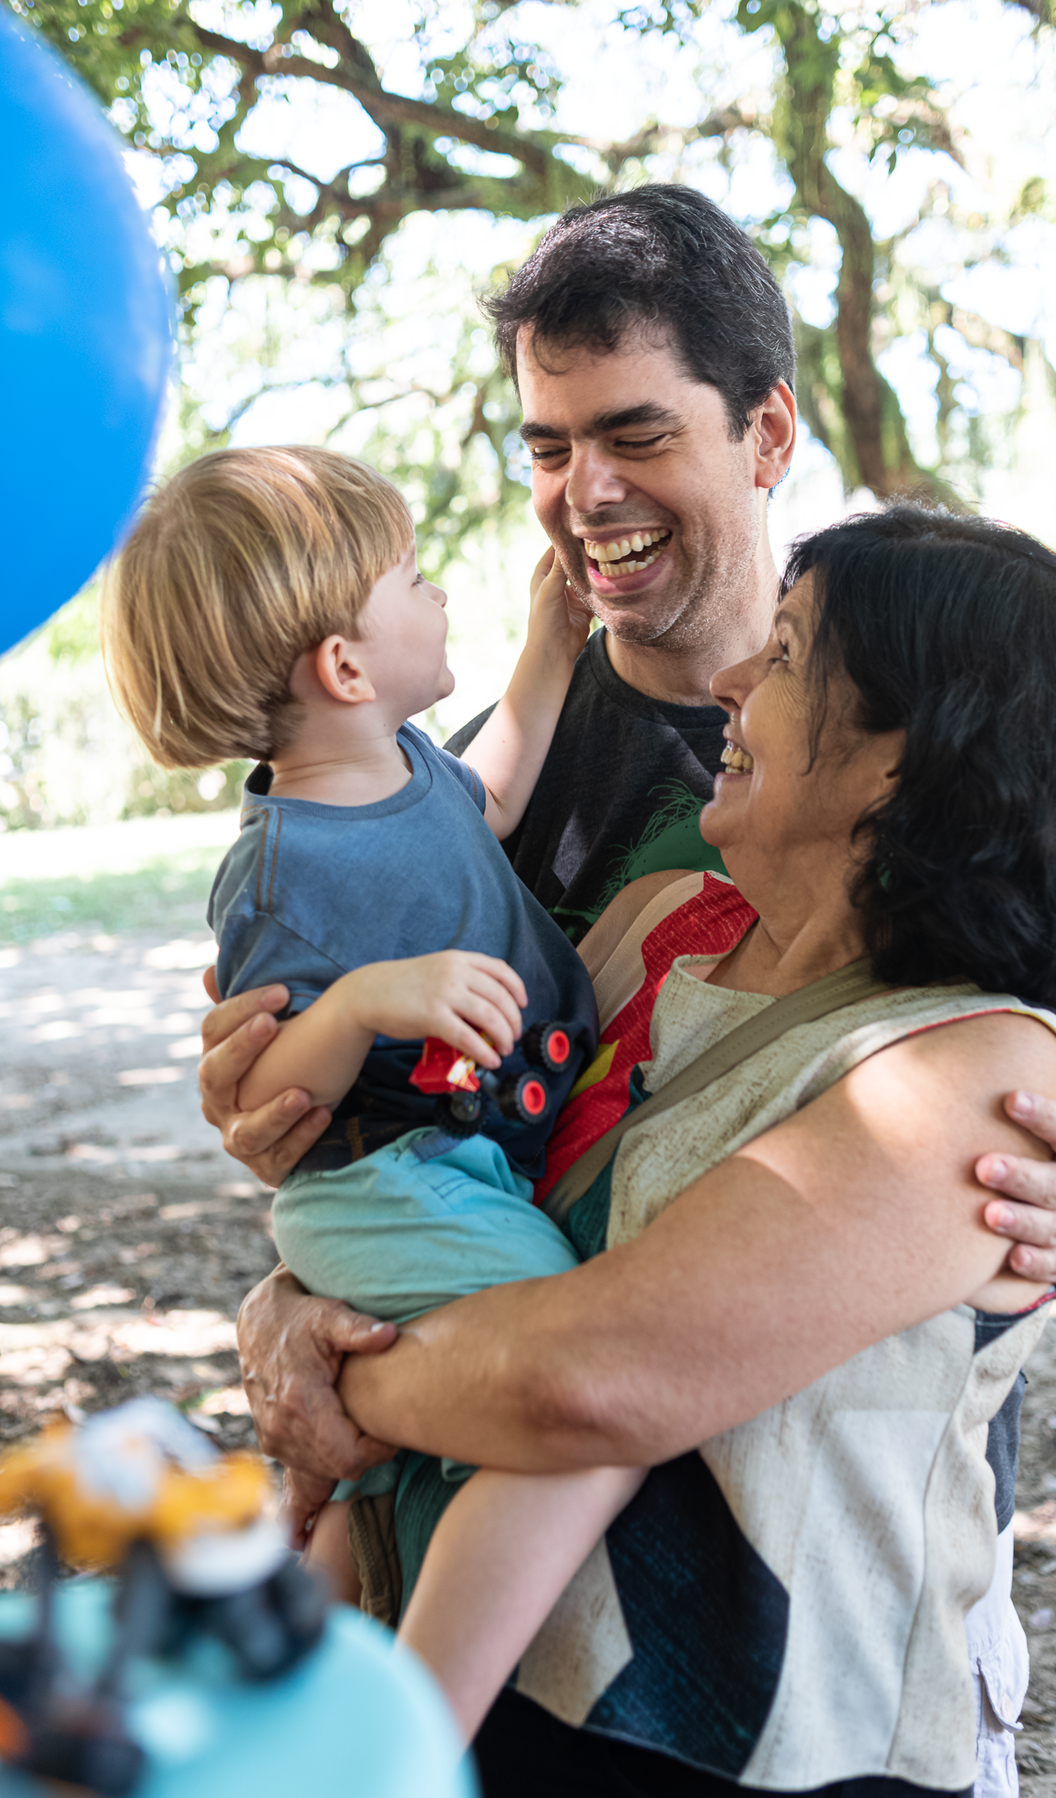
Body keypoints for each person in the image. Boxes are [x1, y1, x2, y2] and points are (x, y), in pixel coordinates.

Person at [200, 189, 1056, 1780]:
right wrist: (290, 1184)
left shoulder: (939, 741)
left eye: (633, 432)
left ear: (768, 430)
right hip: (553, 1632)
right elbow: (423, 1130)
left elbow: (1055, 1081)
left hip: (811, 1655)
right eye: (545, 443)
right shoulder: (501, 807)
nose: (584, 492)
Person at [320, 503, 1056, 1793]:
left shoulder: (978, 1071)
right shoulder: (657, 929)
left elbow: (601, 1380)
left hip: (760, 1750)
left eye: (788, 656)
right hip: (495, 1700)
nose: (726, 684)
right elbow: (442, 1160)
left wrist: (341, 1379)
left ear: (902, 756)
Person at [101, 443, 665, 1738]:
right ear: (343, 667)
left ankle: (295, 1676)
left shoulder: (411, 769)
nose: (438, 592)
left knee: (397, 1456)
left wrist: (546, 636)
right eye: (414, 578)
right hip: (382, 1185)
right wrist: (364, 1003)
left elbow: (504, 781)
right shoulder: (282, 870)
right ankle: (414, 1725)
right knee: (565, 1392)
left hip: (454, 1169)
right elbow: (273, 1096)